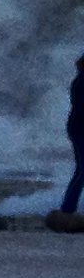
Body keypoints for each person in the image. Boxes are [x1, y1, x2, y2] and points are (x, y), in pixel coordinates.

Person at [61, 52, 84, 217]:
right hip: (80, 129)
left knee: (81, 169)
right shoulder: (82, 82)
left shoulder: (80, 80)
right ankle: (67, 209)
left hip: (77, 128)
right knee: (82, 170)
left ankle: (68, 207)